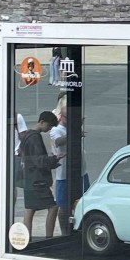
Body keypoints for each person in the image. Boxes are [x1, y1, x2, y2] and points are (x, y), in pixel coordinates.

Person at [49, 94, 90, 234]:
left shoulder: (73, 128)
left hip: (80, 171)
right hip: (64, 175)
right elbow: (59, 141)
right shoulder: (56, 130)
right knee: (64, 206)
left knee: (81, 202)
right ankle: (64, 232)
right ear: (62, 116)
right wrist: (75, 132)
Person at [20, 111, 62, 239]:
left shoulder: (28, 135)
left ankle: (27, 239)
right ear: (42, 122)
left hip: (28, 178)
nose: (49, 129)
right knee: (53, 207)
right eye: (49, 126)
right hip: (37, 180)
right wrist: (55, 158)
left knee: (30, 209)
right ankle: (49, 238)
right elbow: (39, 160)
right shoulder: (35, 137)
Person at [0, 111, 28, 216]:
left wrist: (21, 150)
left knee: (10, 183)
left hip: (14, 154)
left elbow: (24, 135)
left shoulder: (17, 117)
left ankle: (9, 209)